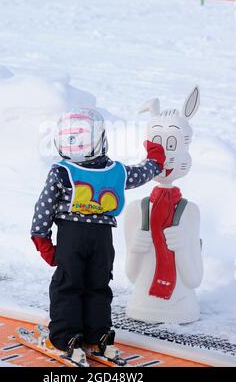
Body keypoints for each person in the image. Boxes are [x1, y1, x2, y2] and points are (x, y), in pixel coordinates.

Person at [31, 108, 165, 365]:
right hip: (102, 241)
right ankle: (100, 334)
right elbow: (142, 173)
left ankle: (67, 337)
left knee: (67, 286)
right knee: (98, 285)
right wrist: (155, 159)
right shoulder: (115, 171)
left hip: (72, 238)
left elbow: (44, 206)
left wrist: (42, 238)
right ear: (100, 140)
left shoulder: (62, 172)